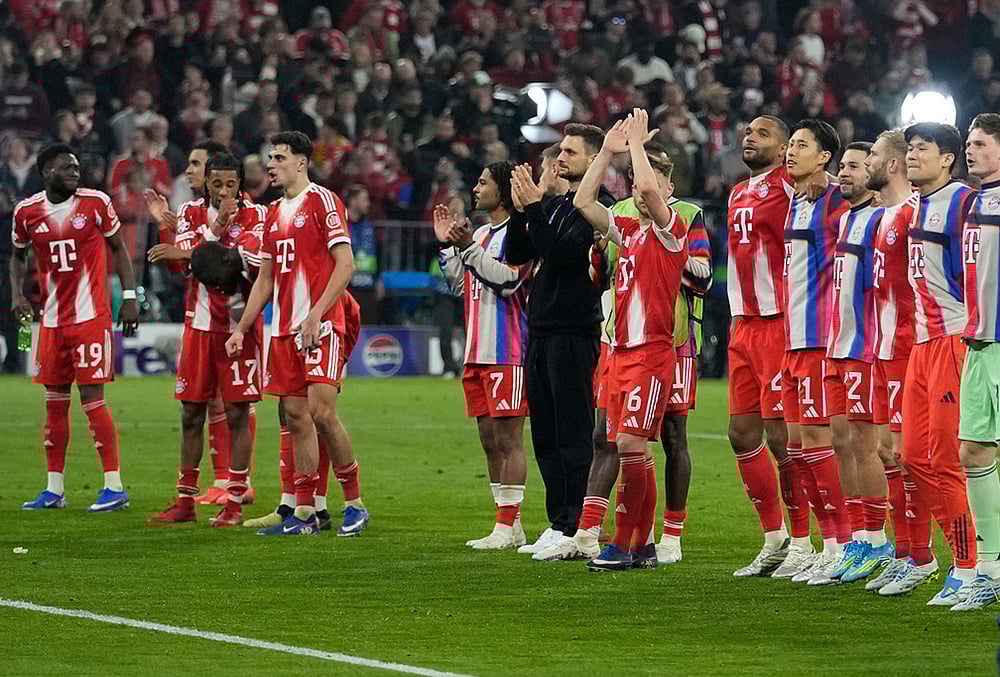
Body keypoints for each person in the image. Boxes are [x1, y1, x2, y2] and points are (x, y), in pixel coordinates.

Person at [227, 131, 368, 537]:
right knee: (296, 418)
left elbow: (345, 266)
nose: (271, 164)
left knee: (323, 414)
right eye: (270, 157)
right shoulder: (273, 213)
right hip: (285, 330)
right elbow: (265, 279)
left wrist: (316, 314)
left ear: (302, 161)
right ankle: (305, 513)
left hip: (321, 325)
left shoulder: (323, 201)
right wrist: (243, 327)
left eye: (280, 157)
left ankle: (355, 503)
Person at [574, 110, 689, 570]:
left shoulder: (671, 232)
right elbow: (584, 202)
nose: (645, 190)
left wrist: (637, 147)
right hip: (619, 353)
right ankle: (640, 546)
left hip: (651, 355)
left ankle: (627, 541)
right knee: (623, 444)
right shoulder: (631, 233)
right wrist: (606, 153)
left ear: (670, 194)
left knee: (632, 447)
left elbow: (644, 188)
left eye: (657, 185)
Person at [11, 143, 138, 512]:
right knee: (54, 404)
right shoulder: (27, 212)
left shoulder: (96, 203)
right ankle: (54, 490)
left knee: (93, 399)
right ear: (47, 172)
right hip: (50, 321)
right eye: (67, 168)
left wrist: (129, 295)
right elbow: (16, 258)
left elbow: (119, 249)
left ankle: (114, 486)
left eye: (77, 168)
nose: (75, 173)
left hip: (90, 318)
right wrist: (19, 294)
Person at [504, 124, 613, 556]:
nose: (561, 158)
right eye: (560, 151)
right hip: (542, 330)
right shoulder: (554, 207)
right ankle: (558, 520)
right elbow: (517, 253)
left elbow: (567, 257)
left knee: (572, 431)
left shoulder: (593, 211)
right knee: (546, 433)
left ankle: (576, 523)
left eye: (571, 151)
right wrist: (521, 210)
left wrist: (535, 208)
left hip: (573, 330)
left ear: (592, 161)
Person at [146, 152, 268, 527]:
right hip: (198, 327)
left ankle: (233, 502)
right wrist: (212, 236)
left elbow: (234, 263)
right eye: (217, 183)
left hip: (239, 328)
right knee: (190, 414)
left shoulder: (258, 215)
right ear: (207, 183)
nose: (224, 191)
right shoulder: (189, 212)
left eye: (232, 184)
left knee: (236, 413)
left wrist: (198, 251)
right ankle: (185, 501)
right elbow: (188, 265)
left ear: (241, 184)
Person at [726, 116, 809, 578]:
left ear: (784, 152)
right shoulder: (739, 191)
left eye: (762, 133)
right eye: (748, 131)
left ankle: (803, 541)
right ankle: (773, 537)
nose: (749, 137)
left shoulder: (790, 186)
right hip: (744, 325)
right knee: (742, 433)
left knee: (782, 437)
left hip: (778, 323)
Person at [901, 121, 979, 605]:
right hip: (921, 347)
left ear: (947, 158)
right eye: (909, 148)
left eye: (921, 149)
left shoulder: (964, 202)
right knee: (912, 458)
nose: (912, 155)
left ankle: (970, 567)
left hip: (953, 341)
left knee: (948, 460)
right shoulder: (917, 207)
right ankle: (965, 555)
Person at [436, 161, 532, 550]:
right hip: (477, 350)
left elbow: (509, 281)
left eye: (483, 182)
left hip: (509, 351)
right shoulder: (477, 233)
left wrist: (467, 248)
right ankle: (511, 525)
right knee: (489, 440)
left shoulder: (520, 233)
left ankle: (506, 526)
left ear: (503, 191)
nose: (476, 188)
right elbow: (458, 284)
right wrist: (447, 245)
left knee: (509, 439)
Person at [774, 119, 851, 584]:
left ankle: (844, 543)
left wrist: (837, 183)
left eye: (802, 145)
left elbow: (876, 199)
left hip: (822, 340)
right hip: (792, 342)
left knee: (821, 446)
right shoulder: (794, 201)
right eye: (791, 144)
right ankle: (828, 543)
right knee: (798, 448)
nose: (791, 151)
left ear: (824, 157)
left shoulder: (834, 198)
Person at [863, 129, 937, 596]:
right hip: (883, 347)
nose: (867, 160)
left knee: (912, 456)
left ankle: (924, 556)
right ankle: (907, 553)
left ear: (891, 165)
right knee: (889, 455)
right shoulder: (883, 217)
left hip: (911, 347)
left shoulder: (913, 215)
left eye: (872, 154)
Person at [824, 141, 897, 584]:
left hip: (867, 347)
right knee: (842, 441)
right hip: (839, 343)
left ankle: (879, 539)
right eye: (844, 166)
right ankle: (859, 539)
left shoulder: (879, 219)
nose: (846, 172)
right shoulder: (847, 217)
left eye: (857, 165)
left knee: (872, 446)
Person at [953, 113, 1000, 610]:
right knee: (973, 450)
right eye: (968, 143)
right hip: (978, 342)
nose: (972, 150)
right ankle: (991, 567)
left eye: (981, 143)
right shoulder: (971, 202)